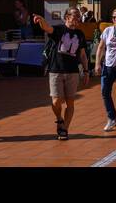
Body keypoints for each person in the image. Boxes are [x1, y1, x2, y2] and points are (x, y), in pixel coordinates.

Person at [32, 8, 89, 140]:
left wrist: (86, 71)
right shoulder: (59, 30)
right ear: (67, 17)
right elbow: (47, 28)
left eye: (78, 17)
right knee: (56, 101)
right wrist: (41, 20)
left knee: (70, 102)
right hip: (56, 70)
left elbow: (82, 55)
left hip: (72, 72)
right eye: (74, 17)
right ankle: (59, 118)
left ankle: (64, 129)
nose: (77, 20)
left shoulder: (80, 34)